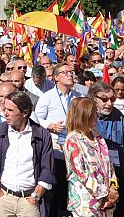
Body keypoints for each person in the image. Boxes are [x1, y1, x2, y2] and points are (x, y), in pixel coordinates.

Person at [0, 91, 56, 217]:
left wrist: (35, 196)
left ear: (25, 112)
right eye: (5, 109)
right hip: (4, 197)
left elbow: (48, 170)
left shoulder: (42, 135)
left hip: (29, 200)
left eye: (10, 110)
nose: (5, 113)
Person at [33, 63, 82, 217]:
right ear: (55, 77)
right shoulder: (47, 97)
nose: (70, 75)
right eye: (65, 72)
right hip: (56, 147)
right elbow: (36, 118)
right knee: (58, 186)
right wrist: (50, 125)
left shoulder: (77, 97)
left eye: (71, 72)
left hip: (75, 147)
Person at [64, 97, 118, 217]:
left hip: (105, 205)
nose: (97, 116)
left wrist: (113, 187)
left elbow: (109, 165)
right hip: (86, 204)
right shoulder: (73, 139)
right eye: (93, 113)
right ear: (84, 115)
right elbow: (82, 174)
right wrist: (105, 193)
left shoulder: (97, 136)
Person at [88, 82, 124, 217]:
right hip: (94, 180)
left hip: (117, 175)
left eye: (112, 99)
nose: (109, 103)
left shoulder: (118, 115)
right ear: (93, 98)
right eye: (104, 99)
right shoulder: (84, 116)